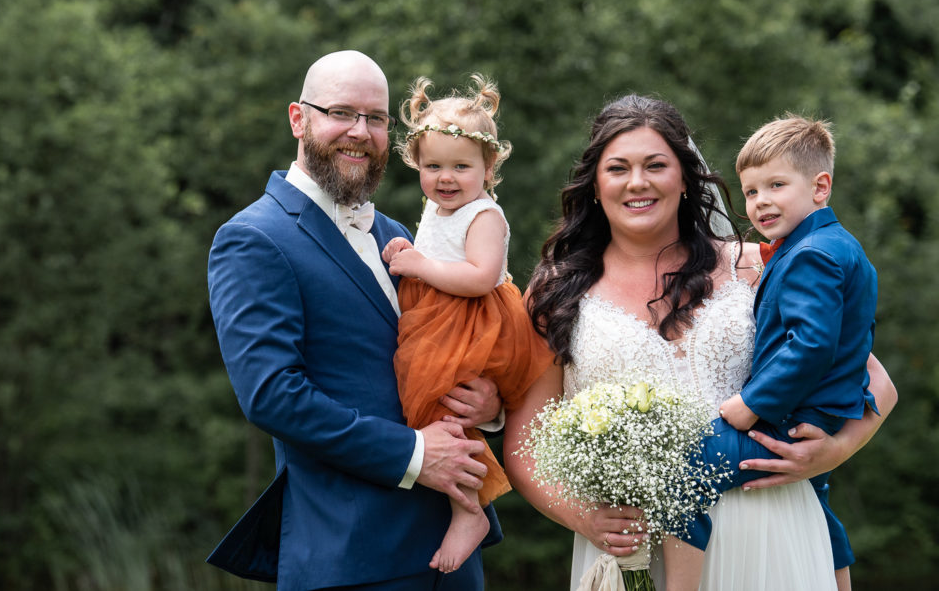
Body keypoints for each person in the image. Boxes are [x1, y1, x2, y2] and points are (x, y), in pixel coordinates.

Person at [503, 95, 897, 591]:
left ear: (685, 178)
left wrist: (832, 452)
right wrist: (585, 519)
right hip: (635, 549)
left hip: (772, 529)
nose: (638, 182)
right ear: (595, 185)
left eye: (656, 165)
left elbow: (874, 382)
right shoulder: (555, 294)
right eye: (618, 168)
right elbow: (524, 444)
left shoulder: (757, 264)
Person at [206, 50, 505, 590]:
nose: (360, 132)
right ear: (299, 118)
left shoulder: (402, 234)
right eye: (342, 112)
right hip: (350, 556)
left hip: (452, 554)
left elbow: (453, 339)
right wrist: (415, 455)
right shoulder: (254, 238)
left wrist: (490, 402)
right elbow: (273, 395)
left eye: (376, 118)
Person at [663, 114, 880, 590]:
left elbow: (812, 344)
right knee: (818, 502)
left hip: (789, 413)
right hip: (825, 412)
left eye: (776, 185)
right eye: (752, 191)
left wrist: (751, 405)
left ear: (820, 186)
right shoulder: (833, 245)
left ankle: (680, 584)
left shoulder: (812, 255)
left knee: (682, 470)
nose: (760, 202)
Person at [381, 74, 550, 573]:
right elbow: (434, 253)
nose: (446, 178)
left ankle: (470, 510)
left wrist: (419, 266)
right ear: (416, 164)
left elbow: (478, 277)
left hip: (474, 323)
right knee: (432, 413)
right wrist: (409, 251)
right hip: (439, 320)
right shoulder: (437, 208)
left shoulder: (484, 215)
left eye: (461, 166)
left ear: (488, 167)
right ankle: (466, 505)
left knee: (443, 411)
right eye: (432, 166)